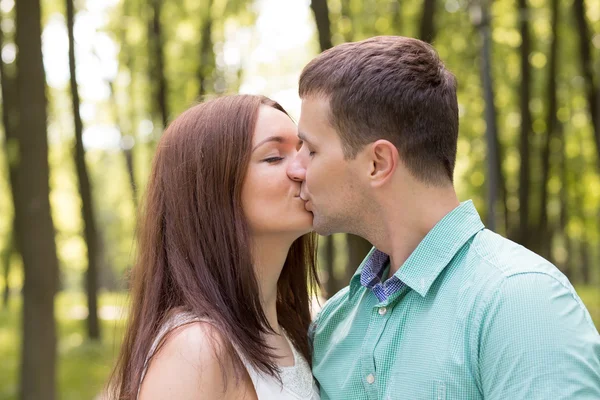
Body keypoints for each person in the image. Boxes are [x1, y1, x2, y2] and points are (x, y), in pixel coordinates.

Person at [287, 36, 600, 399]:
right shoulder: (333, 322)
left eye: (310, 150)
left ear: (378, 163)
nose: (295, 168)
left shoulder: (521, 301)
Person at [108, 95, 320, 400]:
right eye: (275, 157)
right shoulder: (196, 349)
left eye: (304, 150)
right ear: (211, 190)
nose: (303, 169)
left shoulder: (295, 333)